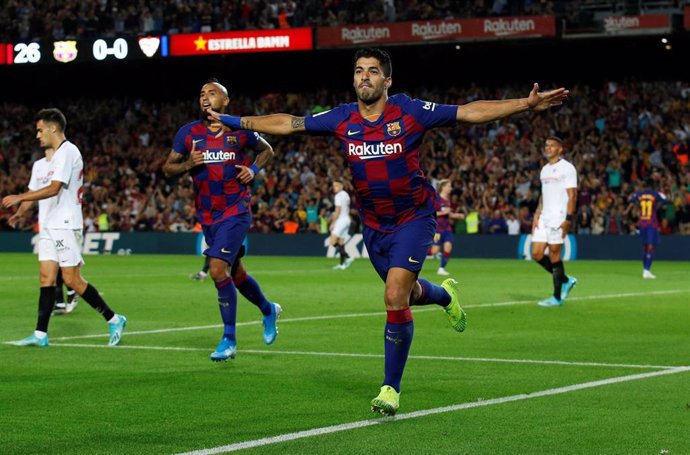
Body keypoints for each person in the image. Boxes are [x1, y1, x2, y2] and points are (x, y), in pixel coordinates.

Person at [208, 47, 568, 414]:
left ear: (387, 80)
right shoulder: (341, 118)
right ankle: (444, 297)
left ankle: (390, 389)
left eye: (374, 71)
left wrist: (525, 104)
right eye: (360, 70)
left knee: (394, 296)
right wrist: (237, 121)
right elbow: (290, 123)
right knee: (407, 295)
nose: (365, 76)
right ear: (353, 78)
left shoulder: (409, 110)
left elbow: (468, 113)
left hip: (414, 218)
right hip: (375, 227)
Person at [163, 78, 281, 362]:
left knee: (217, 269)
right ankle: (268, 309)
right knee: (236, 274)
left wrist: (253, 170)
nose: (205, 97)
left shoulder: (240, 129)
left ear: (225, 101)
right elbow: (168, 168)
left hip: (236, 210)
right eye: (202, 93)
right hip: (208, 215)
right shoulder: (188, 133)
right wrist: (188, 165)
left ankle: (229, 339)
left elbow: (267, 150)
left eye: (212, 93)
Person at [2, 108, 127, 347]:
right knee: (46, 278)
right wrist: (20, 212)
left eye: (40, 130)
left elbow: (54, 188)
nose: (37, 135)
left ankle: (114, 318)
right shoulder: (41, 164)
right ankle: (40, 335)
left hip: (66, 224)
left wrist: (18, 197)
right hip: (48, 225)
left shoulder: (69, 151)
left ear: (52, 128)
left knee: (71, 280)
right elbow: (33, 194)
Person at [531, 136, 578, 307]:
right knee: (536, 254)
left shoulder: (567, 168)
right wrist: (537, 213)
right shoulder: (544, 170)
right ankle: (565, 279)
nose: (548, 148)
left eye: (552, 145)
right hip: (544, 216)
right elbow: (544, 194)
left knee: (554, 255)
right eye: (546, 145)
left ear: (560, 149)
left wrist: (569, 219)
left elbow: (573, 195)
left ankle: (557, 297)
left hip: (559, 217)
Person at [628, 181, 667, 279]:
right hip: (651, 223)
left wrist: (638, 205)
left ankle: (645, 269)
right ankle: (647, 270)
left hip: (642, 223)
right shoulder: (655, 194)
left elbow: (631, 199)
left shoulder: (639, 194)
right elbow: (665, 199)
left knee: (645, 246)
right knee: (651, 246)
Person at [430, 179, 464, 276]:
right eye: (449, 186)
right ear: (443, 187)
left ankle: (441, 268)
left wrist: (456, 215)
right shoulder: (436, 199)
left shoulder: (447, 201)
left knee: (448, 247)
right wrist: (443, 213)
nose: (450, 188)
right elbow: (431, 213)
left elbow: (448, 214)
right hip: (437, 229)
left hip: (447, 228)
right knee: (434, 251)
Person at [329, 180, 354, 270]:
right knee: (340, 242)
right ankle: (342, 264)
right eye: (333, 185)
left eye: (336, 185)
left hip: (341, 220)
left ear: (341, 186)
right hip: (347, 219)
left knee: (332, 241)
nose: (334, 187)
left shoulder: (338, 196)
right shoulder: (346, 194)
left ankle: (349, 257)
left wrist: (333, 223)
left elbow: (338, 211)